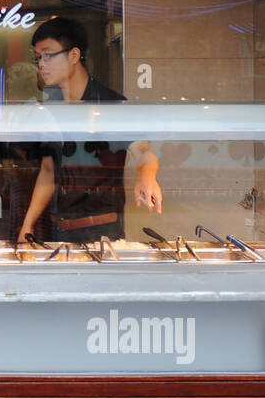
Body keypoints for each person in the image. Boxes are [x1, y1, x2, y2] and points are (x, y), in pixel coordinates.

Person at [18, 17, 163, 244]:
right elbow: (48, 171)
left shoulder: (111, 104)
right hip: (60, 230)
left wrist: (146, 175)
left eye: (47, 55)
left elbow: (144, 151)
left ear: (74, 55)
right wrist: (27, 226)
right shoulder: (51, 108)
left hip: (103, 232)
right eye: (37, 57)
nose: (41, 64)